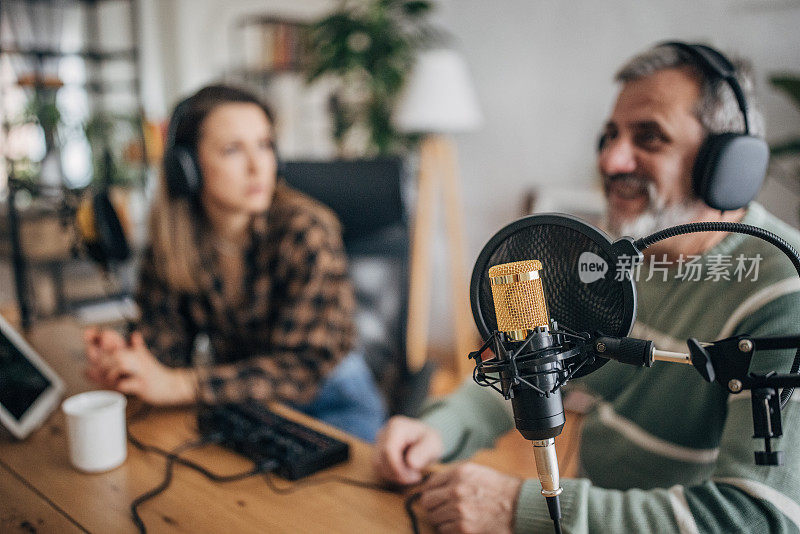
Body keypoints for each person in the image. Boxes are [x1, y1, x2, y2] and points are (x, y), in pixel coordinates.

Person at [374, 42, 800, 532]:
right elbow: (538, 367)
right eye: (610, 136)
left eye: (650, 137)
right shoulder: (623, 257)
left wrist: (517, 507)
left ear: (728, 165)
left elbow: (760, 518)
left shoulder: (785, 293)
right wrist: (435, 429)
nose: (613, 160)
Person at [84, 84, 385, 442]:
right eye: (232, 150)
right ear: (187, 167)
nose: (258, 166)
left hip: (332, 402)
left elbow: (301, 370)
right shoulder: (174, 241)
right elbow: (167, 343)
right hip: (243, 399)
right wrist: (127, 358)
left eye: (265, 145)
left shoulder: (307, 233)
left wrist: (183, 384)